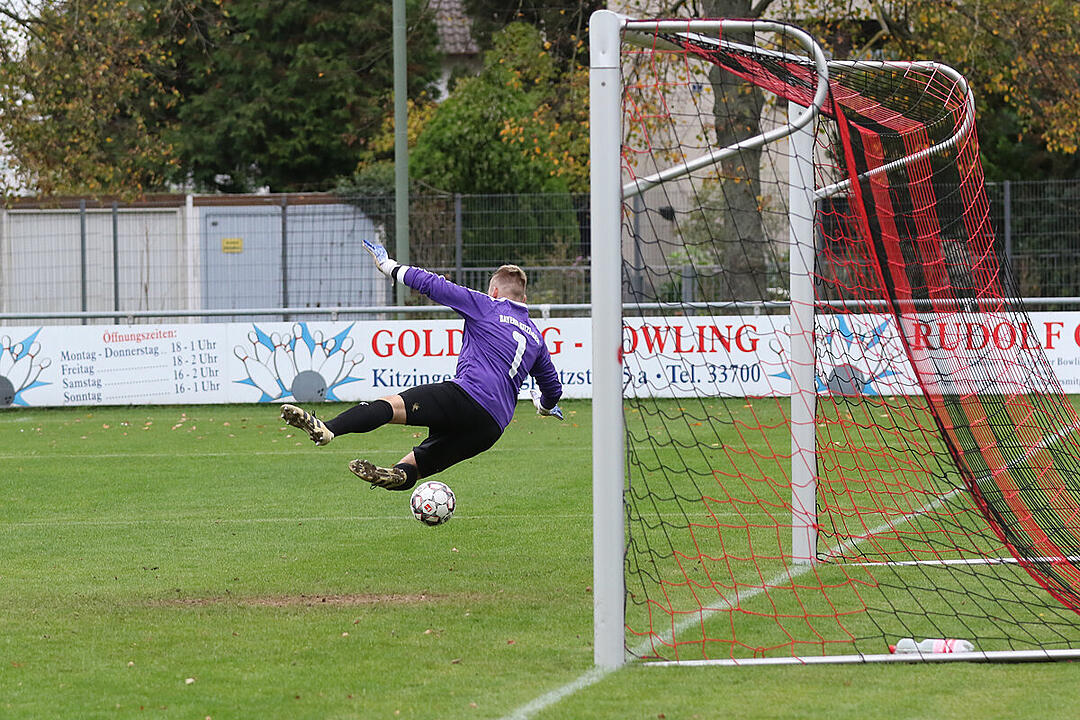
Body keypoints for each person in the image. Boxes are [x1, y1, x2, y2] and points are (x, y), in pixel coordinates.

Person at [280, 238, 564, 491]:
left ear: (494, 291)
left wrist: (389, 266)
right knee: (415, 465)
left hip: (467, 397)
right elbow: (552, 388)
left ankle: (327, 428)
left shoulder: (487, 305)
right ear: (524, 300)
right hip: (491, 427)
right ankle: (398, 474)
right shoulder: (536, 337)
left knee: (391, 406)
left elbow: (434, 285)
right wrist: (545, 406)